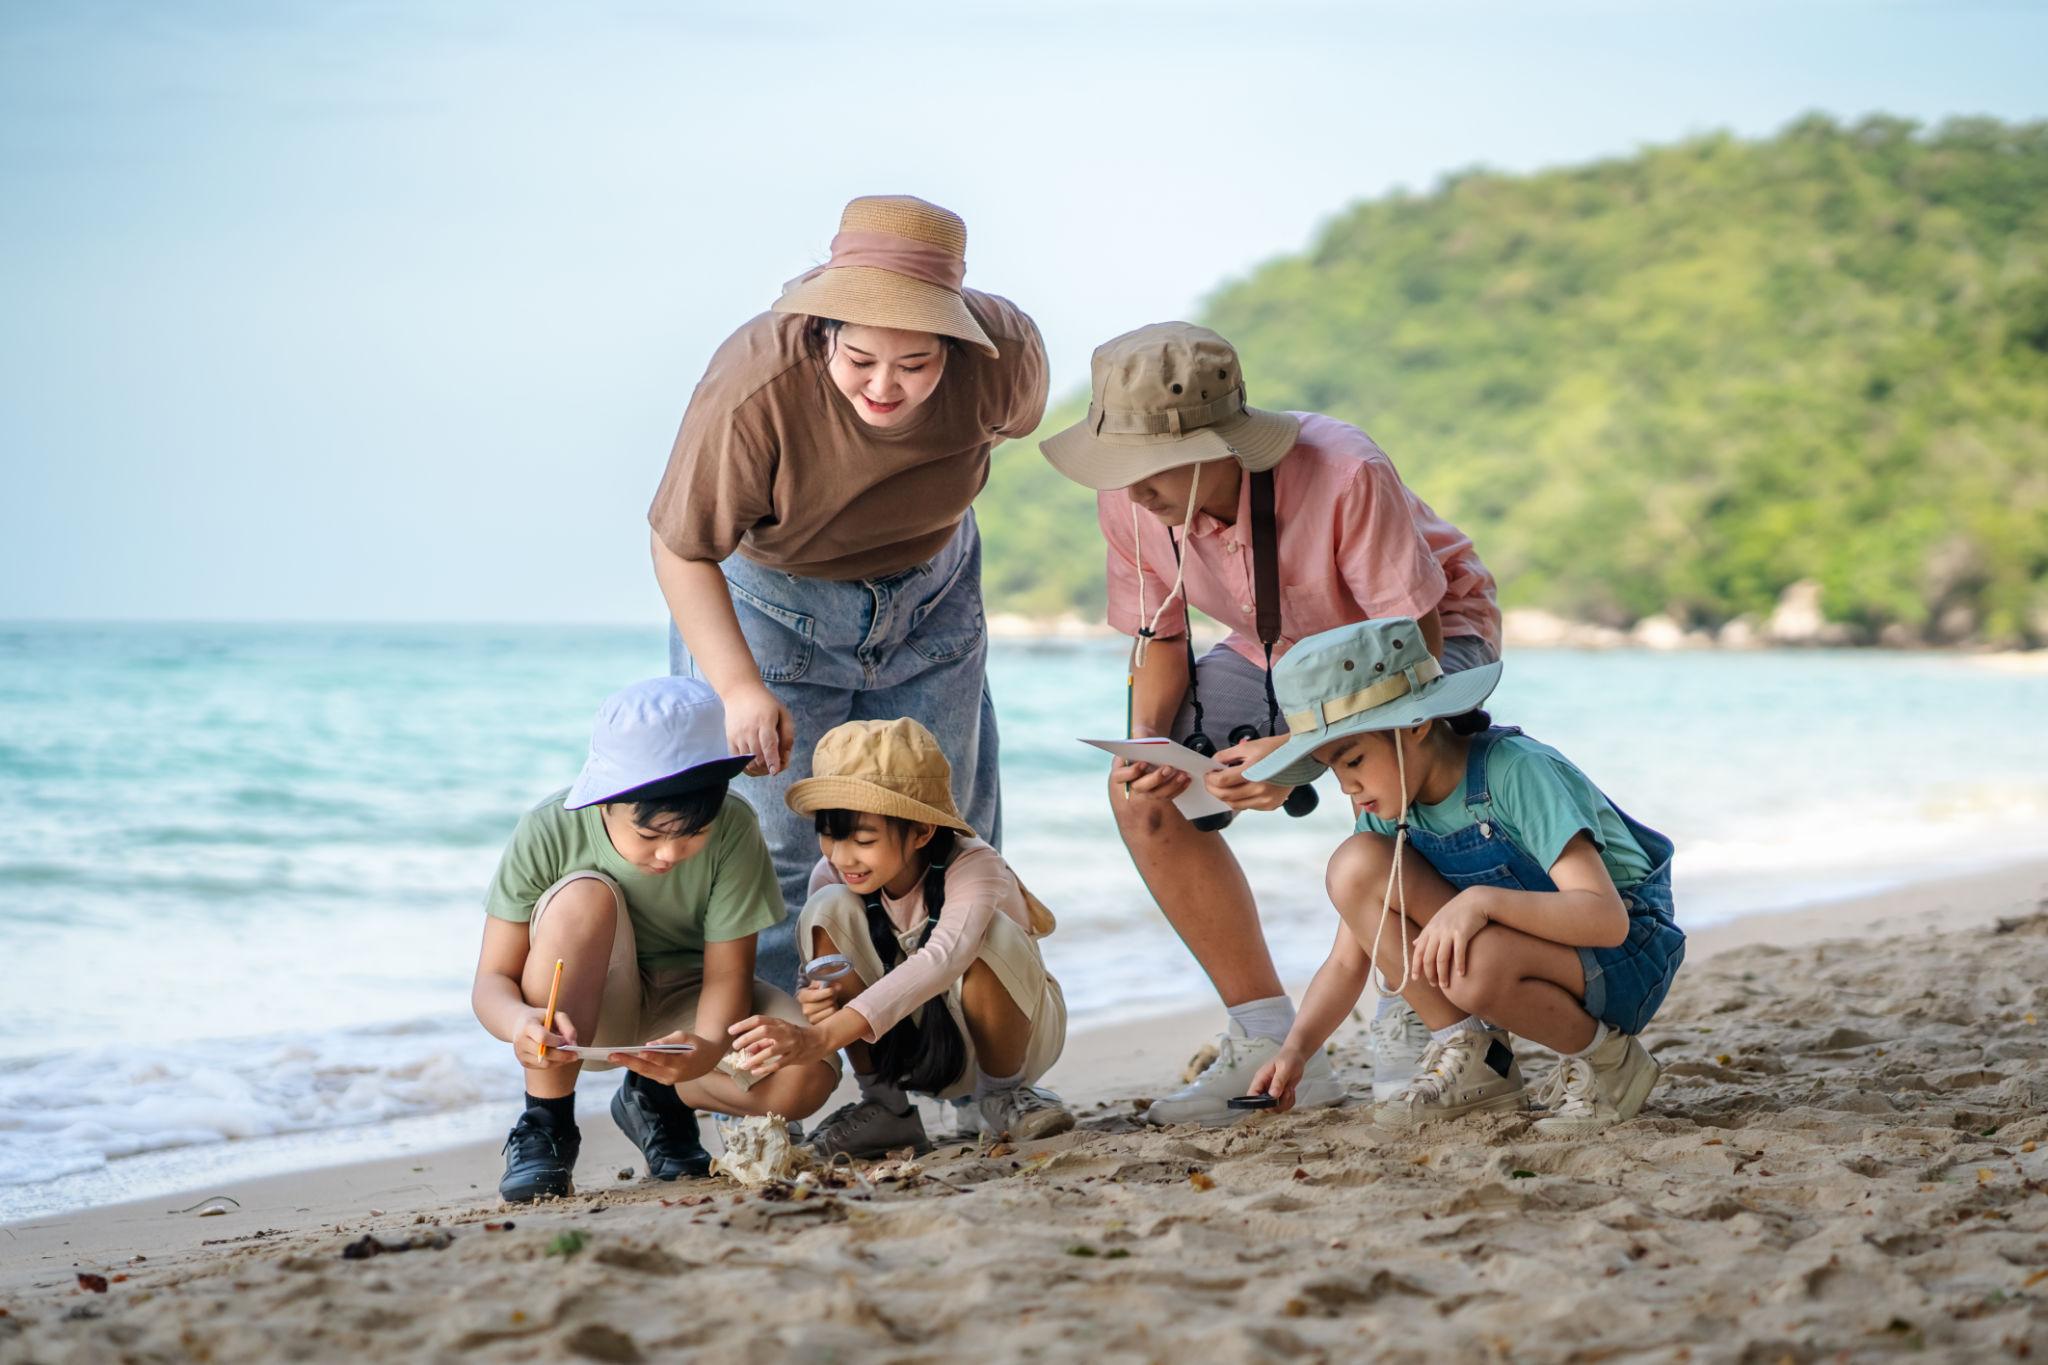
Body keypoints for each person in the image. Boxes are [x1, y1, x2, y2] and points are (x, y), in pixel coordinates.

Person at [1039, 321, 1501, 1124]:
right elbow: (1162, 634)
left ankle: (1411, 1000)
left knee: (1388, 771)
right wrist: (1152, 747)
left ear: (1217, 447)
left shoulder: (1346, 472)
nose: (1123, 487)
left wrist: (1301, 746)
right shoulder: (1131, 500)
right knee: (1143, 797)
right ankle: (1266, 1034)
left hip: (1426, 639)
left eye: (1142, 466)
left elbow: (1412, 655)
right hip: (1272, 645)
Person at [648, 195, 1049, 991]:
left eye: (915, 365)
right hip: (771, 605)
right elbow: (680, 546)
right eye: (861, 359)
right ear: (825, 327)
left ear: (954, 340)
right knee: (776, 857)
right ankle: (768, 1085)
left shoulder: (1002, 352)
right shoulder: (754, 383)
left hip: (932, 597)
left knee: (937, 838)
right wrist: (737, 687)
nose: (885, 389)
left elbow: (1010, 426)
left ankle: (971, 1083)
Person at [1243, 619, 1684, 1134]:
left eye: (1355, 759)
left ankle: (1612, 1063)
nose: (1347, 787)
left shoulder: (1517, 771)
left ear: (1415, 725)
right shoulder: (1390, 811)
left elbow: (1606, 920)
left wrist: (1479, 902)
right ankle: (1471, 1051)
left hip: (1627, 953)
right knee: (1354, 864)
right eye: (1333, 769)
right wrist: (1295, 1051)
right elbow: (1348, 960)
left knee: (1474, 968)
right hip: (1533, 950)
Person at [471, 677, 841, 1202]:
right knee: (584, 897)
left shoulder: (735, 826)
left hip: (689, 1004)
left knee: (807, 1076)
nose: (670, 854)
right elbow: (491, 981)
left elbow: (727, 976)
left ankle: (658, 1099)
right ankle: (546, 1124)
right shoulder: (548, 828)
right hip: (589, 1010)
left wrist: (707, 1047)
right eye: (650, 835)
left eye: (693, 834)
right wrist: (519, 1024)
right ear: (604, 803)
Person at [727, 718, 1073, 1158]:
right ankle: (886, 1104)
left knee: (992, 933)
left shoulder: (976, 865)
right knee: (826, 907)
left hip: (1009, 1037)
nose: (842, 856)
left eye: (864, 839)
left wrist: (820, 1038)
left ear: (922, 831)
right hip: (910, 1040)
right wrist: (813, 1001)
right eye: (829, 836)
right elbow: (820, 974)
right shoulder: (833, 876)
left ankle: (1003, 1098)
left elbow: (943, 958)